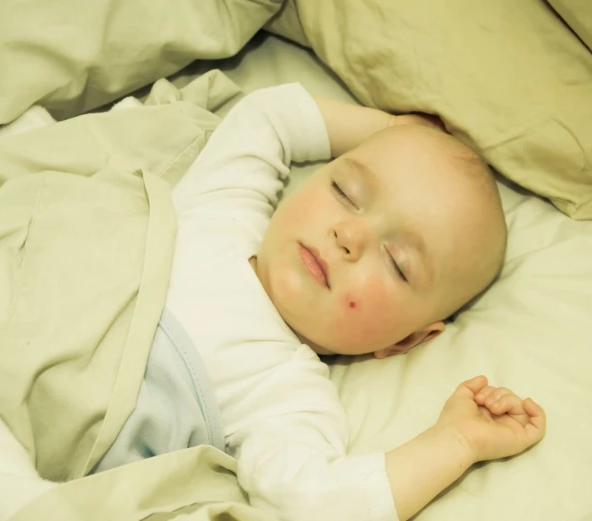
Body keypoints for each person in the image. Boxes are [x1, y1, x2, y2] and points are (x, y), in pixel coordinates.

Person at [96, 83, 546, 521]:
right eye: (345, 194)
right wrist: (388, 127)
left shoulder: (284, 392)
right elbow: (268, 117)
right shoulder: (224, 208)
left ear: (406, 339)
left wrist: (454, 443)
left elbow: (315, 503)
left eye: (396, 262)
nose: (348, 236)